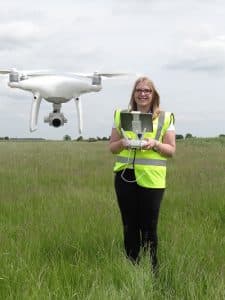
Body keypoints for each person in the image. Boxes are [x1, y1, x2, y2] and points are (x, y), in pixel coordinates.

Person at [109, 76, 176, 272]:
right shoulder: (121, 115)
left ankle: (152, 270)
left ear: (154, 94)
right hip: (125, 177)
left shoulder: (164, 117)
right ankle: (132, 268)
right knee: (129, 225)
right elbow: (112, 148)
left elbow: (171, 150)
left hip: (153, 180)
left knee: (149, 227)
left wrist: (155, 144)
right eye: (139, 90)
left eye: (147, 90)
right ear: (134, 94)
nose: (143, 93)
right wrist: (122, 143)